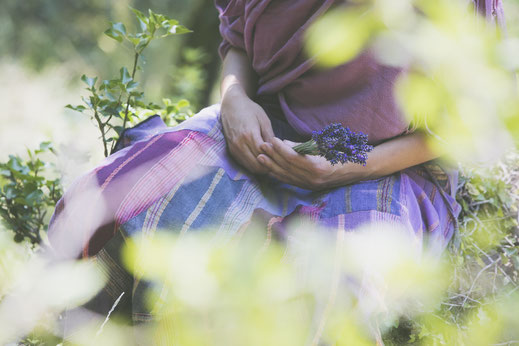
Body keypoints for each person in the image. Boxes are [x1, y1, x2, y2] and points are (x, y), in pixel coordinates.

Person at [48, 0, 504, 342]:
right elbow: (238, 41)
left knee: (330, 286)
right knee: (110, 199)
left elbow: (454, 129)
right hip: (261, 129)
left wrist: (341, 170)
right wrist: (233, 102)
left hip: (385, 168)